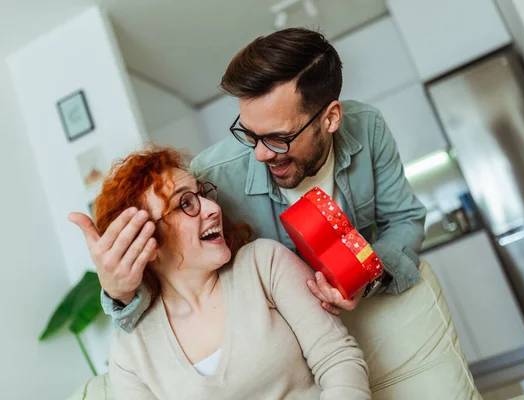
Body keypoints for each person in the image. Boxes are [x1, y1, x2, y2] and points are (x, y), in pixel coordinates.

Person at [70, 28, 482, 399]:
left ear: (330, 118)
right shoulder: (213, 176)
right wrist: (118, 292)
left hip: (342, 326)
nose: (260, 153)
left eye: (278, 138)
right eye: (249, 133)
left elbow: (405, 220)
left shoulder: (367, 129)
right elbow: (173, 255)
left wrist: (365, 276)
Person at [76, 147, 370, 399]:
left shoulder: (263, 264)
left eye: (202, 194)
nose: (212, 208)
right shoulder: (131, 348)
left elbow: (339, 362)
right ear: (145, 243)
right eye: (186, 204)